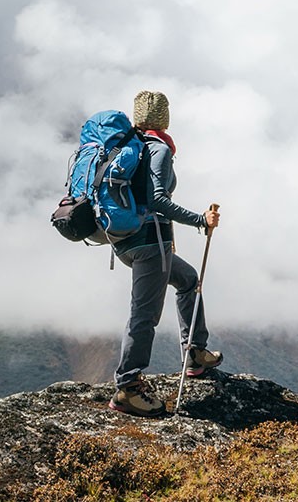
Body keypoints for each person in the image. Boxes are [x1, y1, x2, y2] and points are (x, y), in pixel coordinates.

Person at [108, 90, 224, 417]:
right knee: (144, 316)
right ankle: (127, 387)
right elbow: (158, 199)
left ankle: (195, 352)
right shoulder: (157, 149)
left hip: (126, 241)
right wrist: (200, 220)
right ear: (163, 118)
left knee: (188, 280)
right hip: (150, 244)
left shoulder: (127, 147)